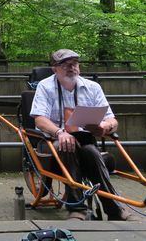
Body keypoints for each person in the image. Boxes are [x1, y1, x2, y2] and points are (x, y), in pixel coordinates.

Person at [30, 49, 140, 221]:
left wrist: (104, 126)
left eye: (74, 63)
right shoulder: (45, 86)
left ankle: (114, 210)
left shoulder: (92, 87)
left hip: (85, 142)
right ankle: (78, 208)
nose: (71, 67)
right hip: (52, 142)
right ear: (54, 69)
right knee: (68, 145)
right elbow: (39, 120)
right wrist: (60, 133)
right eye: (65, 65)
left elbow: (112, 120)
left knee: (91, 151)